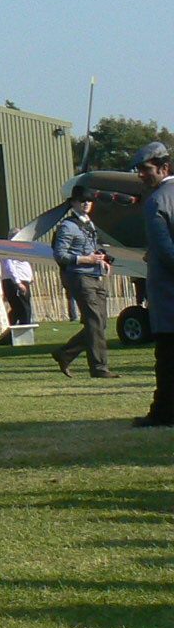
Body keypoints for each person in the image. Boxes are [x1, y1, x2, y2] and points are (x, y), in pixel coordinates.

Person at [131, 141, 174, 428]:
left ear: (164, 168)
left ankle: (163, 413)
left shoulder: (156, 202)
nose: (141, 175)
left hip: (169, 295)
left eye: (146, 169)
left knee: (168, 358)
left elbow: (167, 251)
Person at [51, 188, 114, 380]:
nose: (86, 203)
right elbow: (60, 254)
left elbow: (92, 248)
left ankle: (65, 353)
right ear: (73, 203)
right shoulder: (68, 226)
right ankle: (99, 367)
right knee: (95, 321)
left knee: (100, 322)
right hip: (79, 277)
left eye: (89, 200)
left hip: (94, 275)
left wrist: (102, 258)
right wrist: (85, 259)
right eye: (82, 200)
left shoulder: (89, 224)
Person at [3, 254, 37, 328]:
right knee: (24, 308)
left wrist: (30, 275)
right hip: (17, 281)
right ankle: (25, 329)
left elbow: (26, 263)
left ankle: (9, 329)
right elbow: (10, 267)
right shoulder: (10, 252)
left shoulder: (21, 252)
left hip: (22, 281)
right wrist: (18, 282)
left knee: (18, 309)